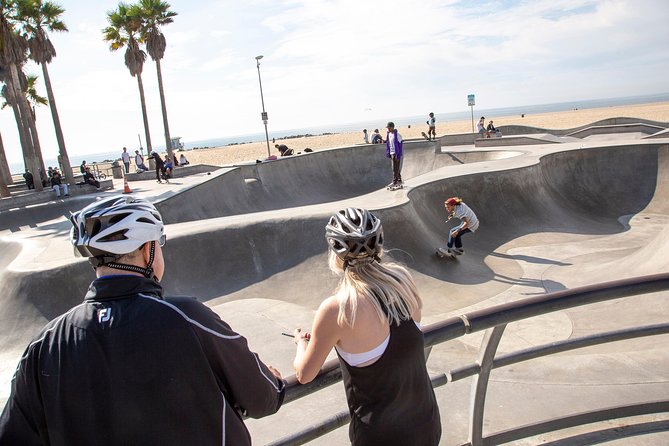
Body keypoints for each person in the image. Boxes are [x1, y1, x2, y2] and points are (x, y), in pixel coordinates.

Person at [0, 196, 285, 445]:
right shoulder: (188, 318)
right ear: (148, 249)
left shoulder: (44, 345)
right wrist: (272, 380)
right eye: (159, 243)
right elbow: (263, 398)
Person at [292, 208, 441, 445]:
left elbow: (305, 374)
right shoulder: (403, 281)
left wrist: (301, 344)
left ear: (336, 253)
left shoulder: (337, 308)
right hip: (426, 424)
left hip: (381, 436)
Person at [385, 121, 403, 190]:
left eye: (389, 128)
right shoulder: (389, 134)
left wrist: (398, 155)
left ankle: (394, 182)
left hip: (396, 153)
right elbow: (389, 143)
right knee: (396, 168)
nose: (388, 129)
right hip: (391, 153)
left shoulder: (398, 135)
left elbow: (400, 146)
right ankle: (399, 181)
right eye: (388, 128)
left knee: (394, 168)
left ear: (392, 127)